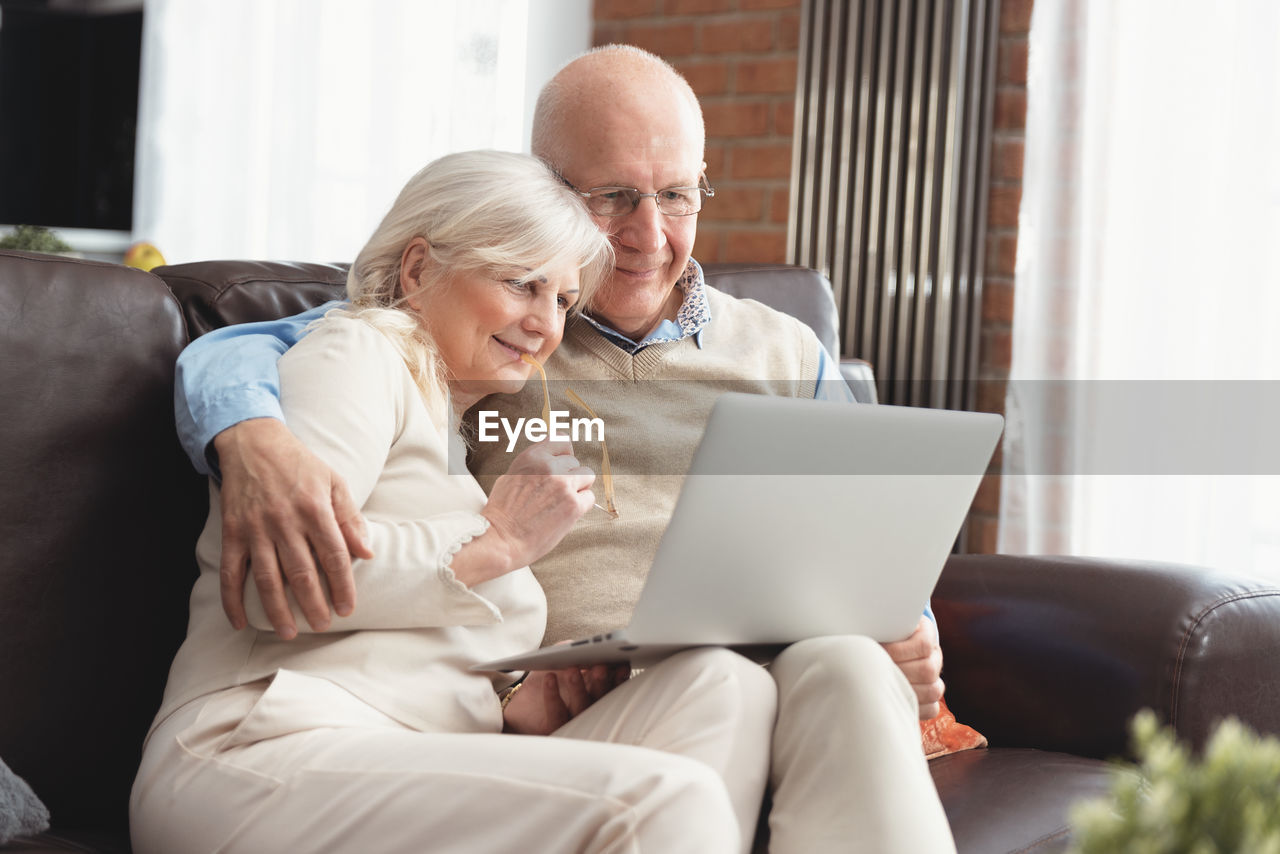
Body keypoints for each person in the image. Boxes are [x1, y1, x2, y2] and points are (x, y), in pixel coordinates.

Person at [173, 46, 955, 852]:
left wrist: (906, 623)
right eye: (614, 196)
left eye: (677, 194)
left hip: (763, 674)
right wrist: (249, 432)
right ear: (547, 190)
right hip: (598, 706)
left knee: (852, 665)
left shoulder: (785, 350)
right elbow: (277, 344)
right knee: (715, 693)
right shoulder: (483, 335)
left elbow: (872, 530)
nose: (648, 234)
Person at [132, 150, 788, 854]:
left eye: (563, 300)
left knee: (727, 689)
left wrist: (514, 694)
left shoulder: (456, 422)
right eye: (521, 284)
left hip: (414, 755)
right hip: (258, 747)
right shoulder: (356, 355)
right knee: (664, 798)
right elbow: (279, 590)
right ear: (417, 271)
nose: (544, 324)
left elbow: (419, 635)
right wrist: (496, 543)